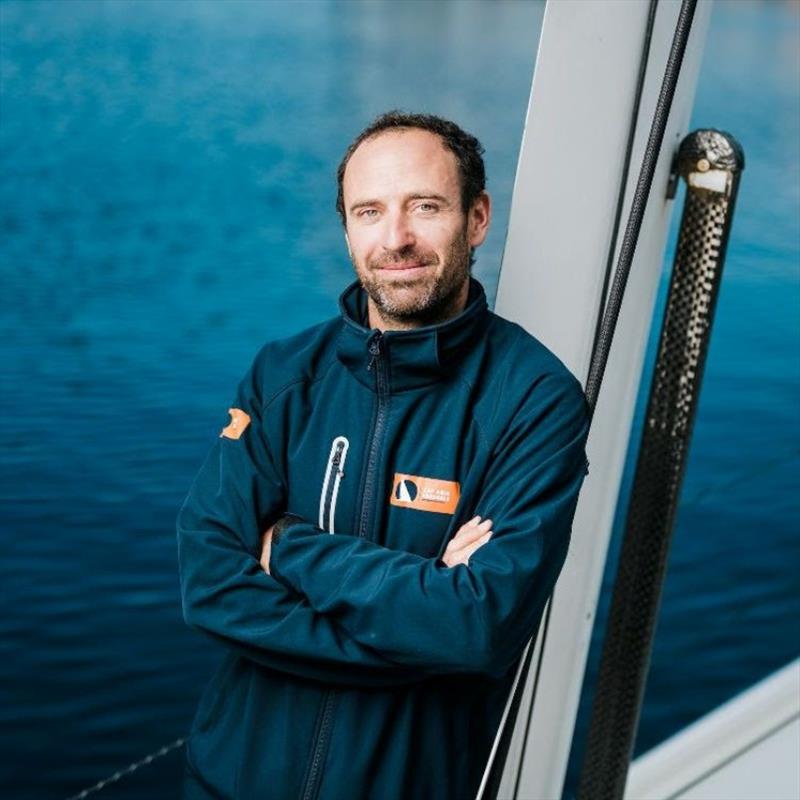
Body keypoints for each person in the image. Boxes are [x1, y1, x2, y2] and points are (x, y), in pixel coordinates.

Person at [177, 110, 590, 800]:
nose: (395, 239)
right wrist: (418, 626)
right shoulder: (284, 377)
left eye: (424, 207)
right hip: (230, 783)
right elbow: (210, 582)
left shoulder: (534, 399)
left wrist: (288, 550)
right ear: (346, 229)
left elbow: (474, 627)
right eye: (369, 212)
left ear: (477, 218)